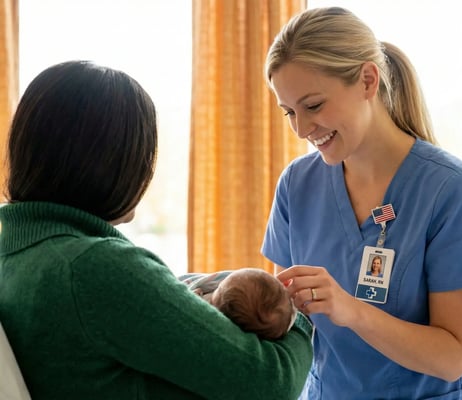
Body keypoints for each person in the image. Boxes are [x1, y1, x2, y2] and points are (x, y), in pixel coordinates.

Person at [0, 60, 313, 400]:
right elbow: (271, 383)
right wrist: (297, 314)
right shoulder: (92, 267)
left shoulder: (21, 254)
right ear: (112, 164)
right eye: (144, 157)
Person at [261, 7, 462, 400]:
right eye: (289, 112)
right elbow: (289, 320)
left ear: (368, 80)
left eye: (314, 105)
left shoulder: (451, 190)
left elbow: (452, 356)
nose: (301, 129)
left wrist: (351, 310)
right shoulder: (297, 185)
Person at [179, 268, 297, 340]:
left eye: (219, 289)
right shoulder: (284, 315)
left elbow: (188, 305)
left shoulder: (205, 310)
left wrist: (194, 295)